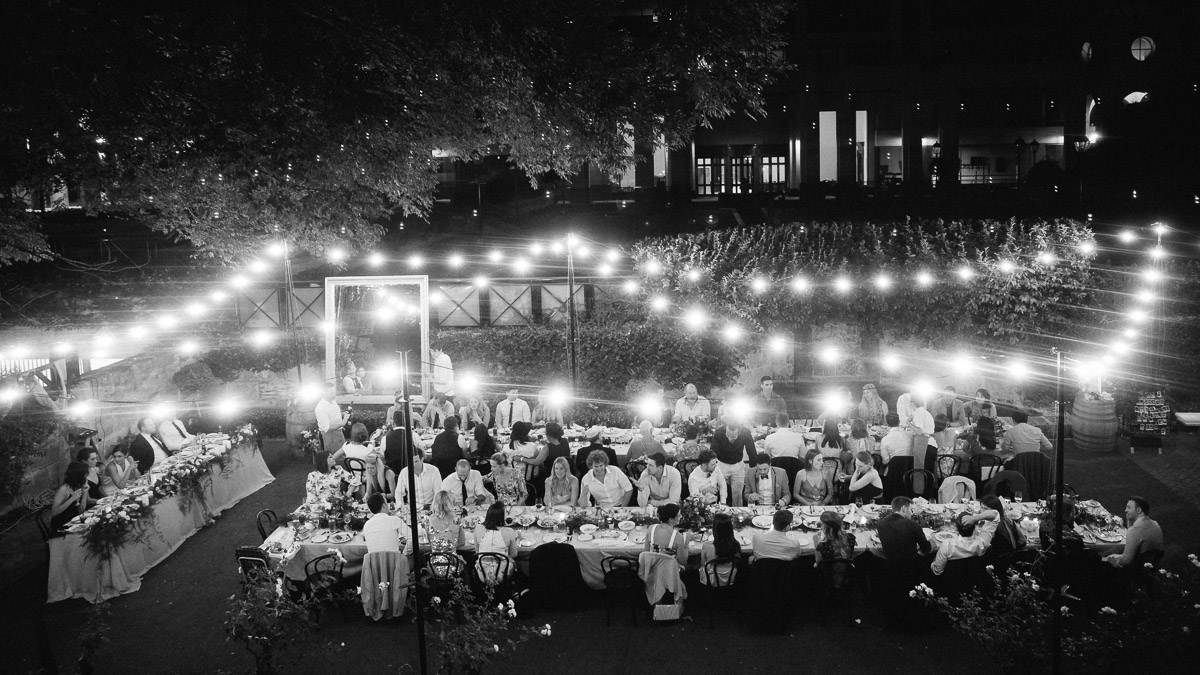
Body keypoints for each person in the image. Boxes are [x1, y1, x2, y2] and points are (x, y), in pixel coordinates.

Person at [929, 501, 1001, 575]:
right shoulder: (982, 544)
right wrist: (974, 518)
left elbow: (937, 571)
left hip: (950, 582)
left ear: (956, 529)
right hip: (971, 580)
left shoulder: (947, 545)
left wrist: (933, 561)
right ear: (974, 527)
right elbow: (996, 514)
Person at [1104, 496, 1164, 568]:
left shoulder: (1135, 530)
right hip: (1148, 566)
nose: (1125, 510)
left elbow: (1125, 561)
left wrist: (1110, 558)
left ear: (1138, 510)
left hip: (1133, 572)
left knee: (1103, 557)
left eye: (1129, 508)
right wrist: (1129, 520)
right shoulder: (1155, 524)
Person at [710, 419, 756, 507]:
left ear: (739, 432)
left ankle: (738, 515)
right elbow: (713, 452)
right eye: (728, 435)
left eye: (734, 436)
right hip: (722, 464)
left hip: (737, 465)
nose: (730, 438)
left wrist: (753, 470)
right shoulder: (719, 432)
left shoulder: (745, 433)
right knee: (720, 492)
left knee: (738, 495)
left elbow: (752, 452)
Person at [875, 496, 932, 561]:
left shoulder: (881, 523)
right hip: (912, 567)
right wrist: (932, 542)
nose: (912, 513)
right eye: (911, 510)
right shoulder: (912, 524)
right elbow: (926, 548)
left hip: (889, 566)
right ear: (904, 509)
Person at [701, 513, 741, 586]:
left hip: (712, 580)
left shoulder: (706, 546)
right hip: (730, 578)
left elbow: (702, 564)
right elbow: (737, 562)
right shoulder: (736, 545)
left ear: (715, 529)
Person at [50, 461, 91, 534]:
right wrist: (72, 499)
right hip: (62, 526)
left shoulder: (77, 486)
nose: (86, 479)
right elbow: (54, 512)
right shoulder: (64, 489)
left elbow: (81, 511)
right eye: (84, 476)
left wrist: (85, 493)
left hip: (74, 523)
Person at [644, 503, 690, 567]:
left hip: (652, 569)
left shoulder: (651, 529)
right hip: (669, 572)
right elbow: (683, 561)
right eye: (679, 515)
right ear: (671, 519)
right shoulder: (678, 537)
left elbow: (646, 552)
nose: (681, 517)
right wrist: (686, 542)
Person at [315, 383, 349, 456]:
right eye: (331, 393)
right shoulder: (321, 407)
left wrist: (343, 414)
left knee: (343, 455)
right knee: (334, 458)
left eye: (334, 392)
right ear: (324, 393)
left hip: (338, 433)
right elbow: (326, 428)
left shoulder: (332, 401)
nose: (334, 394)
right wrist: (342, 423)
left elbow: (333, 415)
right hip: (330, 437)